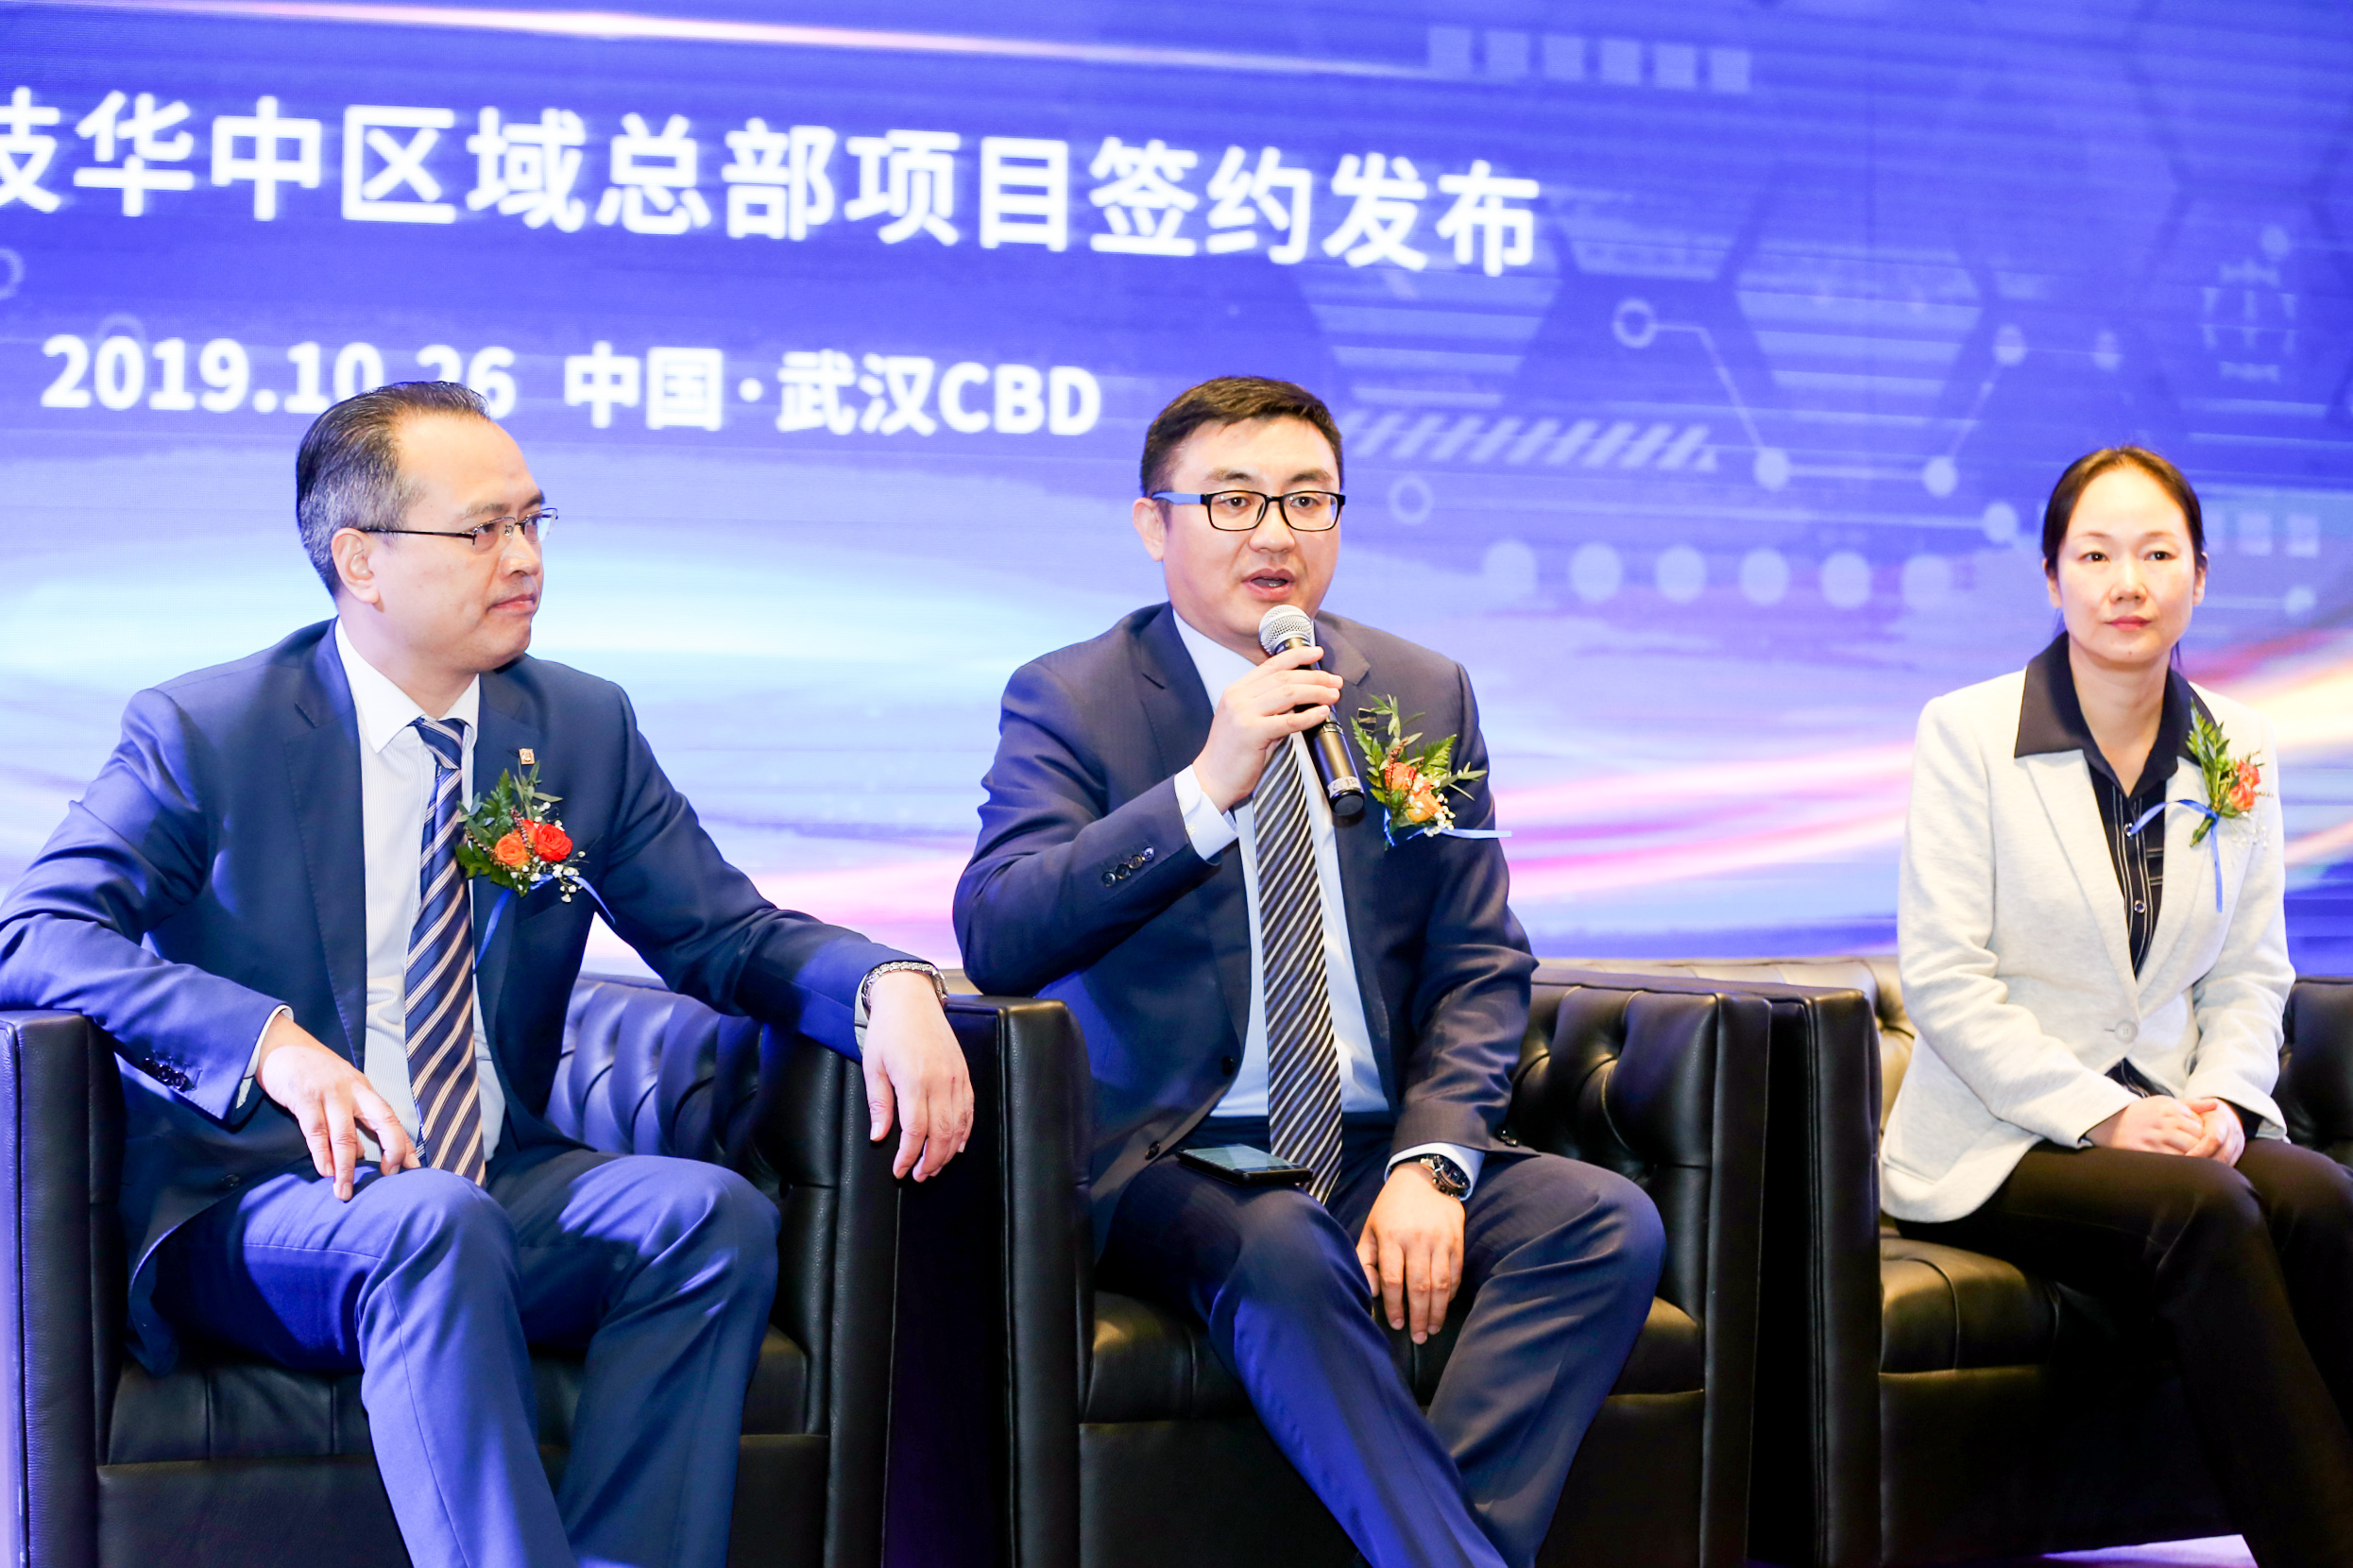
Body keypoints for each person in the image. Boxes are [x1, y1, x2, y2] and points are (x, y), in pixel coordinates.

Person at [0, 382, 974, 1568]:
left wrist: (886, 984)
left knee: (706, 1218)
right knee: (431, 1224)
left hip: (490, 1174)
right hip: (256, 1198)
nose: (523, 558)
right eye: (480, 530)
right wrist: (267, 1042)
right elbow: (38, 930)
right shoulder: (210, 729)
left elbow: (724, 934)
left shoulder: (577, 726)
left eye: (531, 521)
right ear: (360, 559)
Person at [953, 376, 1662, 1568]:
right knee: (1282, 1243)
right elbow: (999, 929)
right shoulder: (1072, 695)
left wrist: (1433, 1160)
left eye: (1306, 499)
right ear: (1153, 524)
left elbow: (1478, 956)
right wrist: (1203, 788)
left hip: (1374, 1140)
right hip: (1175, 1153)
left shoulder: (1418, 691)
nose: (1274, 532)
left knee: (1603, 1222)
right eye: (1231, 500)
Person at [1881, 446, 2353, 1568]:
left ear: (2199, 575)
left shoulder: (2234, 745)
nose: (2126, 584)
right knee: (2207, 1210)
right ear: (2052, 577)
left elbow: (2250, 969)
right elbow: (1945, 978)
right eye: (2094, 556)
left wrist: (2225, 1099)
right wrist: (2103, 1114)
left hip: (2176, 1118)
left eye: (2155, 555)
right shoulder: (1967, 732)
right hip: (2003, 1137)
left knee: (2322, 1198)